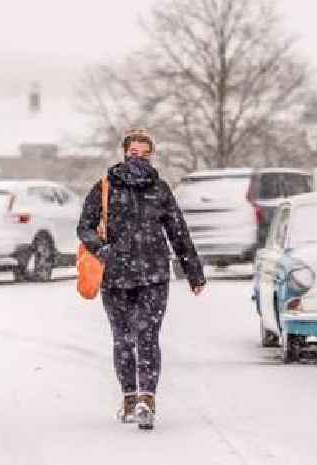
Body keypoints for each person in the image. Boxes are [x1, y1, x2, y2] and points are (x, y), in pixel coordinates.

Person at [77, 128, 206, 430]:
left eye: (144, 154)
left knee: (146, 337)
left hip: (153, 276)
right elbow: (84, 227)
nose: (138, 158)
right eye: (134, 153)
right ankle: (130, 398)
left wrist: (194, 273)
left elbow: (178, 232)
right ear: (124, 153)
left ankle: (146, 400)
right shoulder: (105, 187)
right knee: (123, 340)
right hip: (115, 277)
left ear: (151, 155)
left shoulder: (159, 189)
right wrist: (102, 249)